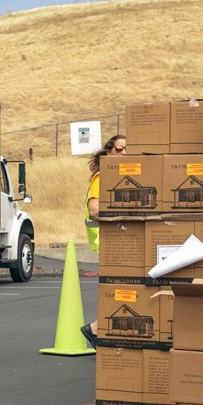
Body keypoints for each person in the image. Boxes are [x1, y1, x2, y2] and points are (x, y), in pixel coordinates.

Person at [81, 134, 127, 348]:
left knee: (124, 290)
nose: (123, 153)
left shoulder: (122, 177)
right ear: (108, 152)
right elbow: (94, 210)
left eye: (127, 149)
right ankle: (96, 329)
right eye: (119, 149)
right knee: (121, 290)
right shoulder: (102, 178)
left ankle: (100, 329)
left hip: (120, 241)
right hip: (109, 242)